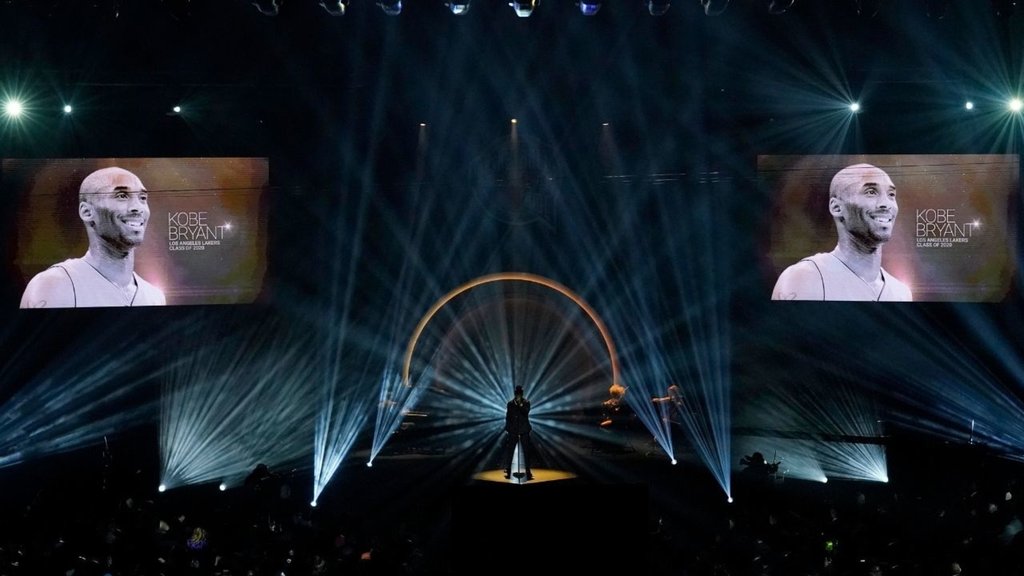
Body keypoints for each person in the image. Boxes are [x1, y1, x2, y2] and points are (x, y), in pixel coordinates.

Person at [19, 166, 167, 308]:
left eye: (142, 198)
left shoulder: (154, 296)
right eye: (122, 196)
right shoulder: (54, 285)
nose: (138, 207)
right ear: (87, 212)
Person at [772, 163, 912, 301]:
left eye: (891, 194)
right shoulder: (804, 277)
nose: (886, 204)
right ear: (837, 208)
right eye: (870, 192)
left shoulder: (901, 292)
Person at [502, 385, 533, 481]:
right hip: (513, 430)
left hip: (524, 430)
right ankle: (508, 469)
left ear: (522, 394)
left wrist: (520, 405)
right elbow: (508, 417)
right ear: (515, 394)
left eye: (520, 393)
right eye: (517, 393)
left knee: (526, 451)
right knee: (510, 450)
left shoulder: (526, 403)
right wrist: (508, 429)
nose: (518, 395)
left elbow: (526, 412)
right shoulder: (510, 404)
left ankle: (528, 470)